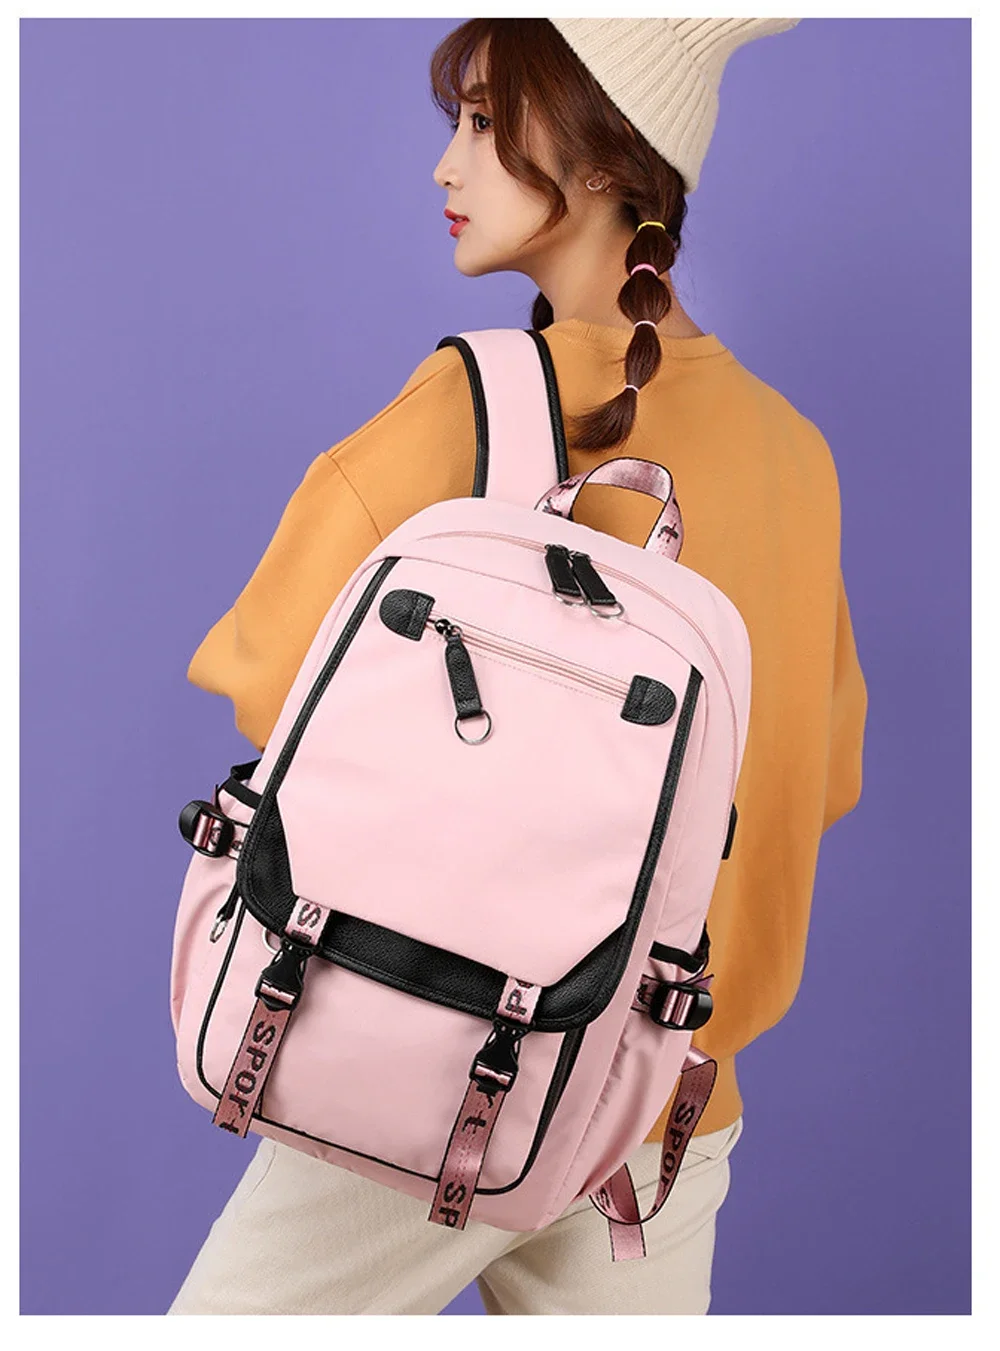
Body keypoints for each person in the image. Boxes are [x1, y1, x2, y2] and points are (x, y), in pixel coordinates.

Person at [168, 17, 867, 1315]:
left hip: (452, 1059)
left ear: (603, 152)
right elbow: (813, 779)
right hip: (670, 1100)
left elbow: (274, 691)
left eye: (487, 121)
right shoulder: (796, 453)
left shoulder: (472, 404)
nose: (447, 163)